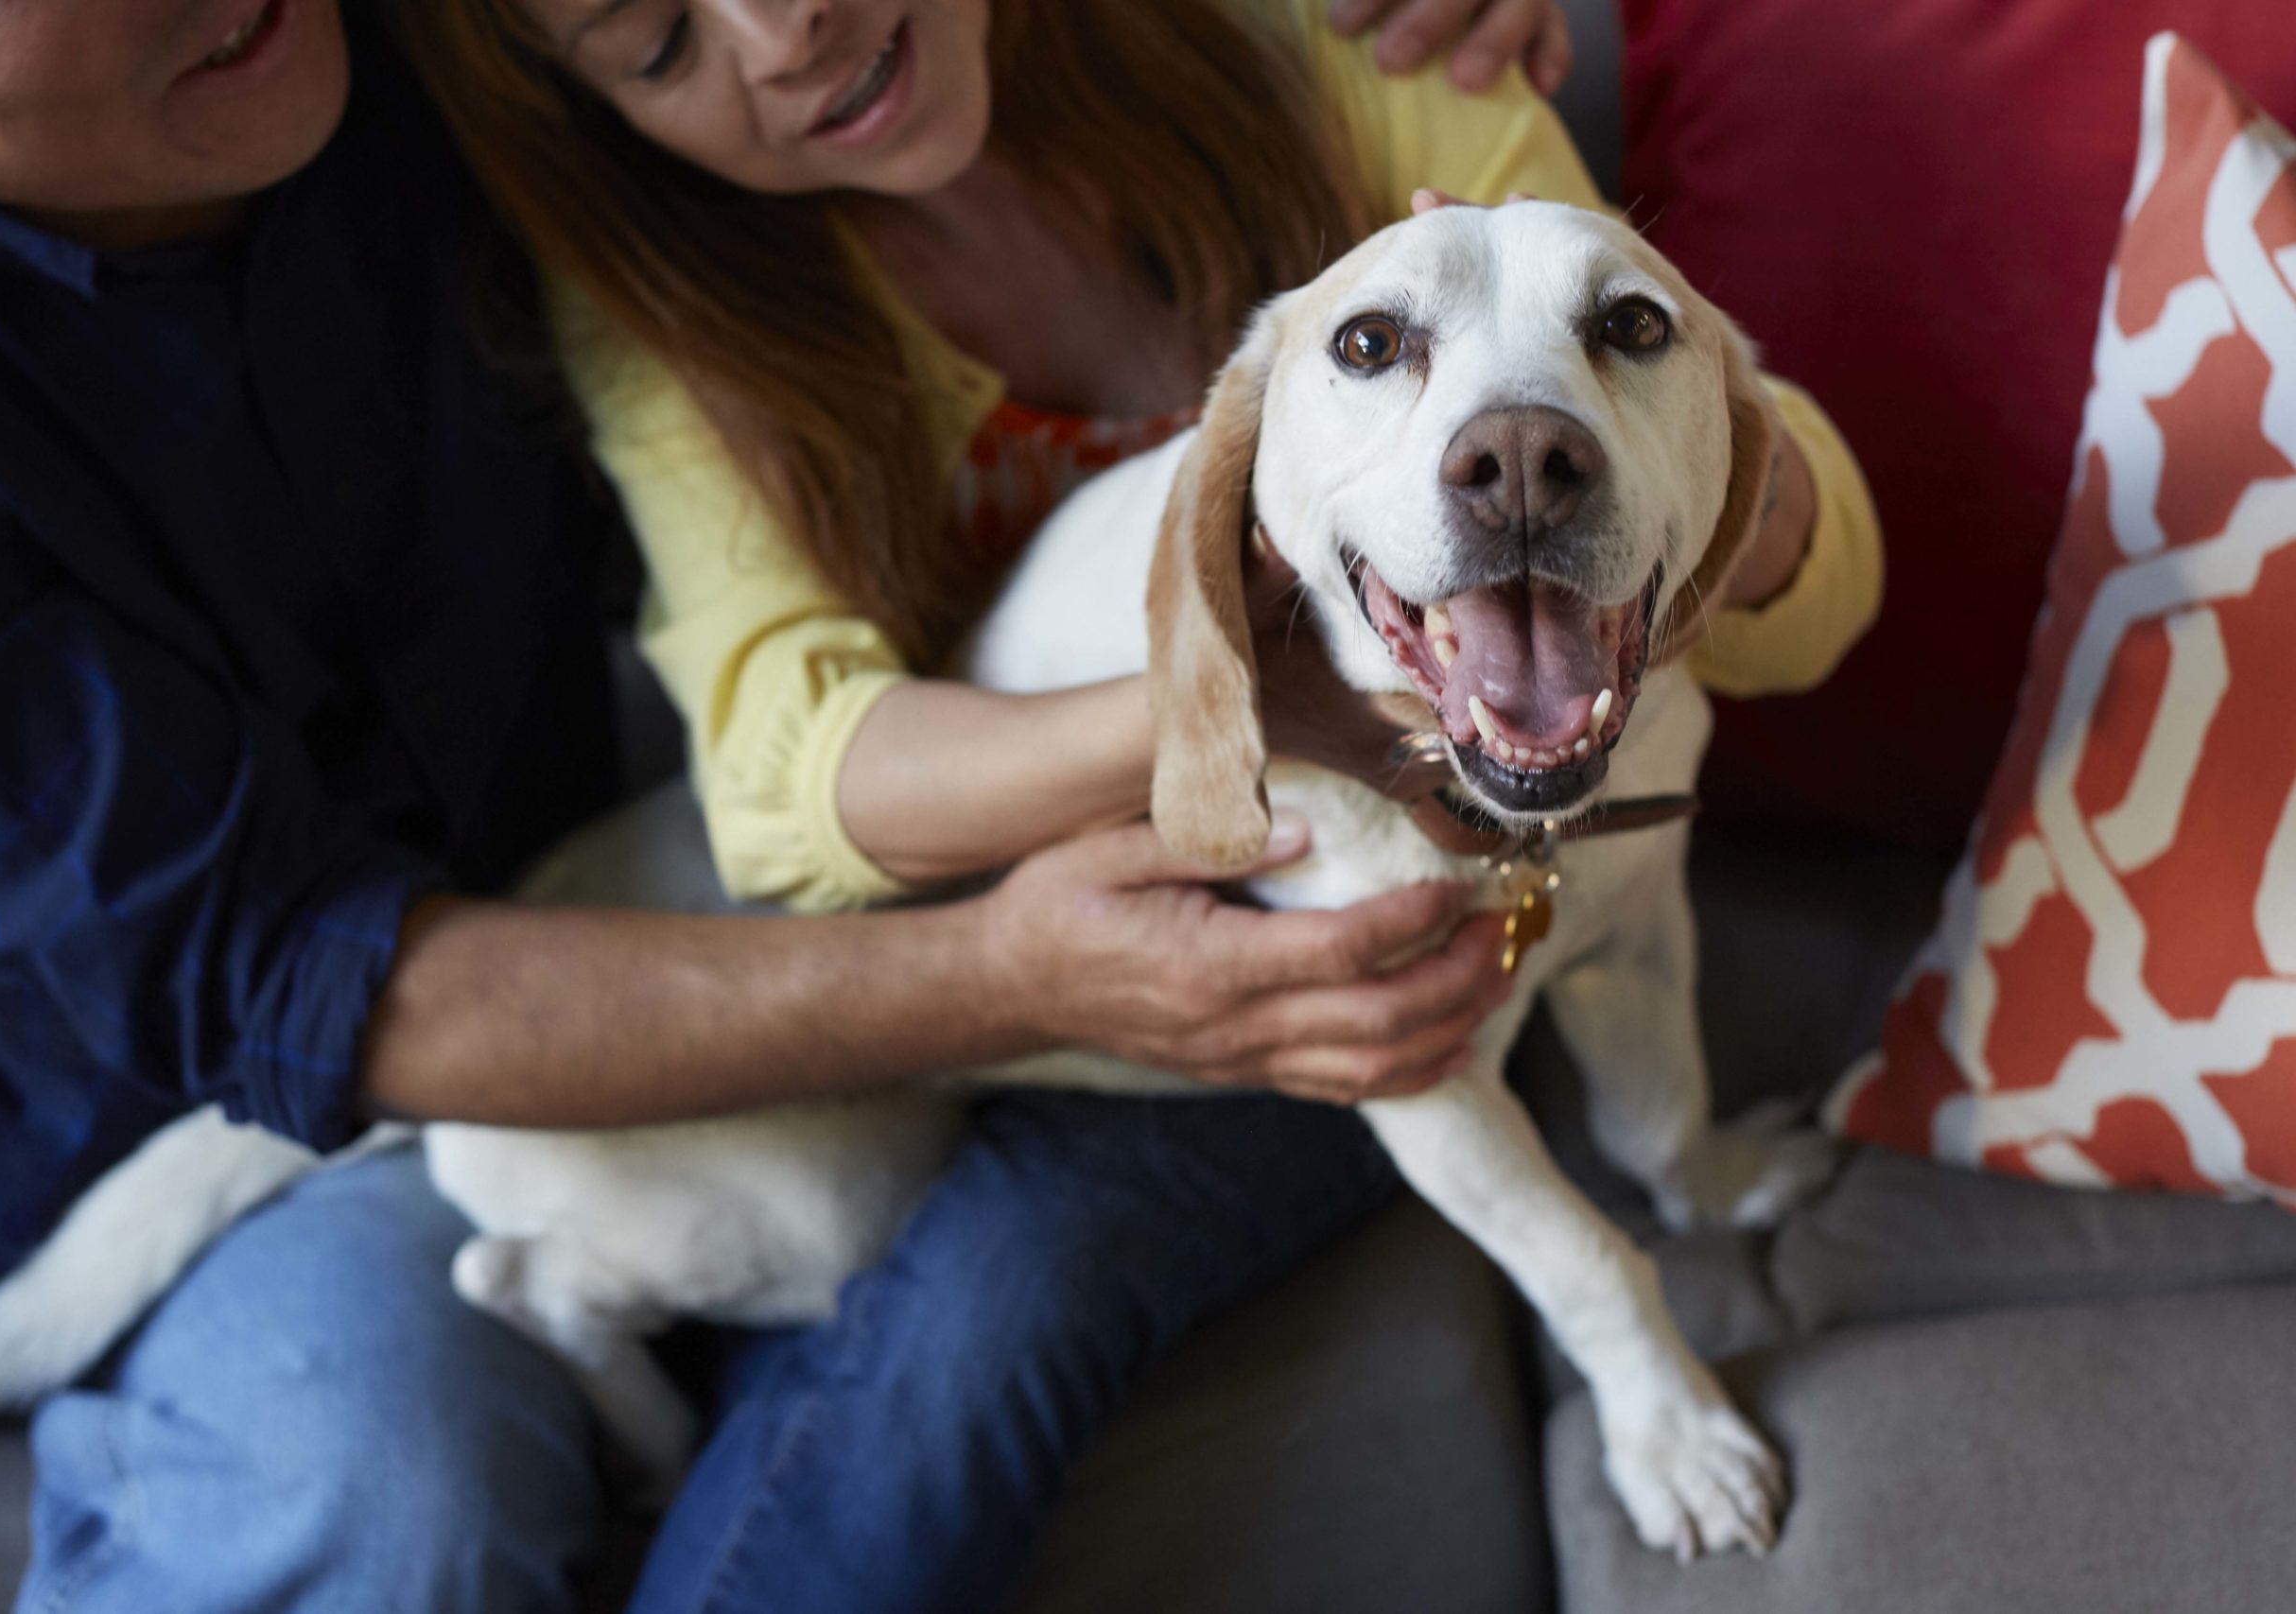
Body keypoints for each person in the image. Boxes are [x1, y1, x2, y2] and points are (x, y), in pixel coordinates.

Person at [0, 1, 1582, 1611]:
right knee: (376, 1494)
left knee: (971, 1307)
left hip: (633, 872)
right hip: (174, 1111)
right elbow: (308, 990)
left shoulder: (410, 50)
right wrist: (1020, 971)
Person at [397, 0, 1886, 1608]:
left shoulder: (1357, 39)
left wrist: (1735, 444)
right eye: (658, 42)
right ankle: (585, 1313)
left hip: (1259, 932)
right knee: (958, 1299)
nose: (784, 29)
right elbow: (784, 785)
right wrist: (1243, 703)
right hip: (1008, 929)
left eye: (1624, 340)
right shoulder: (667, 299)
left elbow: (1807, 604)